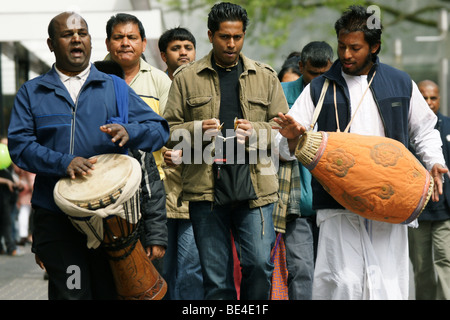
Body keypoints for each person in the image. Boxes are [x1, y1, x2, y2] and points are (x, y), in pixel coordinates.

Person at [274, 5, 447, 300]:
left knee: (387, 285)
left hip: (389, 201)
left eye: (355, 47)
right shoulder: (319, 88)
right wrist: (291, 140)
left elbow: (424, 130)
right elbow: (284, 147)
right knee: (343, 283)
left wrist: (434, 162)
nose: (345, 55)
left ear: (374, 46)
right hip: (336, 203)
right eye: (341, 46)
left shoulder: (400, 83)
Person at [7, 12, 169, 300]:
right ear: (51, 43)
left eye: (82, 33)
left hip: (110, 217)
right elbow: (19, 146)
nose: (77, 38)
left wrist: (130, 131)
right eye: (68, 34)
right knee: (73, 293)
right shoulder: (32, 92)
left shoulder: (115, 87)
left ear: (91, 41)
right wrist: (62, 162)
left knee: (108, 293)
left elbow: (159, 129)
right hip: (57, 218)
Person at [163, 2, 289, 300]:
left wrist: (256, 132)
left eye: (237, 37)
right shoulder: (186, 77)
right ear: (210, 35)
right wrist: (196, 130)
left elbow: (282, 129)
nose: (231, 43)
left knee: (259, 265)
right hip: (205, 189)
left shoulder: (265, 76)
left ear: (244, 36)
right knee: (216, 280)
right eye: (224, 37)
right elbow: (166, 131)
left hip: (256, 187)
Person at [104, 14, 171, 271]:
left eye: (132, 38)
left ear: (143, 44)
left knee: (146, 275)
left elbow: (167, 129)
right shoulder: (93, 78)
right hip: (103, 184)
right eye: (118, 37)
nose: (125, 43)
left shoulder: (159, 80)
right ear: (108, 43)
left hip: (150, 185)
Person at [272, 41, 333, 300]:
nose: (319, 80)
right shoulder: (282, 94)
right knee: (302, 269)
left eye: (324, 74)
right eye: (312, 74)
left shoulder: (341, 94)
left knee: (334, 272)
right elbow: (272, 143)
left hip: (334, 202)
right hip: (295, 202)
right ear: (300, 67)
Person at [157, 27, 204, 300]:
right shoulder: (156, 85)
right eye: (176, 48)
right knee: (161, 270)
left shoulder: (205, 85)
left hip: (194, 194)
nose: (183, 52)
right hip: (159, 196)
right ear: (163, 55)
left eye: (188, 47)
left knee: (190, 270)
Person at [408, 79, 450, 300]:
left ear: (439, 99)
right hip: (418, 212)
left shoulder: (449, 126)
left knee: (445, 262)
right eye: (424, 98)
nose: (429, 102)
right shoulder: (408, 131)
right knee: (422, 266)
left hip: (445, 212)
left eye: (433, 98)